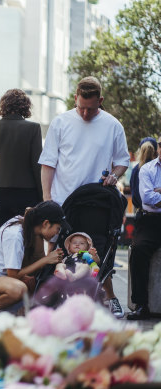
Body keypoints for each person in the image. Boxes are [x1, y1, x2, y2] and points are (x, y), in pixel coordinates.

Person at [38, 76, 130, 318]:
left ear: (100, 101)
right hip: (62, 200)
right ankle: (56, 299)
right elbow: (48, 164)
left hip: (96, 202)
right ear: (75, 99)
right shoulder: (60, 122)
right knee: (59, 254)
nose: (86, 113)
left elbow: (122, 162)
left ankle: (109, 297)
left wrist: (114, 175)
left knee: (96, 253)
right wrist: (48, 200)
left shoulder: (113, 125)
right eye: (81, 107)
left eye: (91, 108)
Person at [0, 201, 69, 315]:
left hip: (3, 279)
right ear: (46, 223)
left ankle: (17, 312)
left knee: (31, 282)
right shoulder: (15, 234)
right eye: (58, 228)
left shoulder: (31, 229)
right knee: (19, 289)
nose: (57, 233)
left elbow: (36, 265)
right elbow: (14, 274)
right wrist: (46, 260)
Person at [0, 89, 42, 232]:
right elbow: (37, 165)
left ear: (3, 105)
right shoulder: (33, 128)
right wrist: (41, 197)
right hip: (27, 193)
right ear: (26, 106)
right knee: (25, 237)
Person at [127, 135, 161, 320]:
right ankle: (141, 304)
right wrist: (154, 195)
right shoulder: (146, 169)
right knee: (138, 250)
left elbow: (154, 198)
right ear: (158, 148)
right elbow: (148, 199)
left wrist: (159, 193)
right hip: (150, 221)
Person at [129, 137, 157, 211]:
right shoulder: (157, 168)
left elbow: (134, 193)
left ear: (140, 151)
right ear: (156, 152)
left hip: (141, 214)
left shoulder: (136, 170)